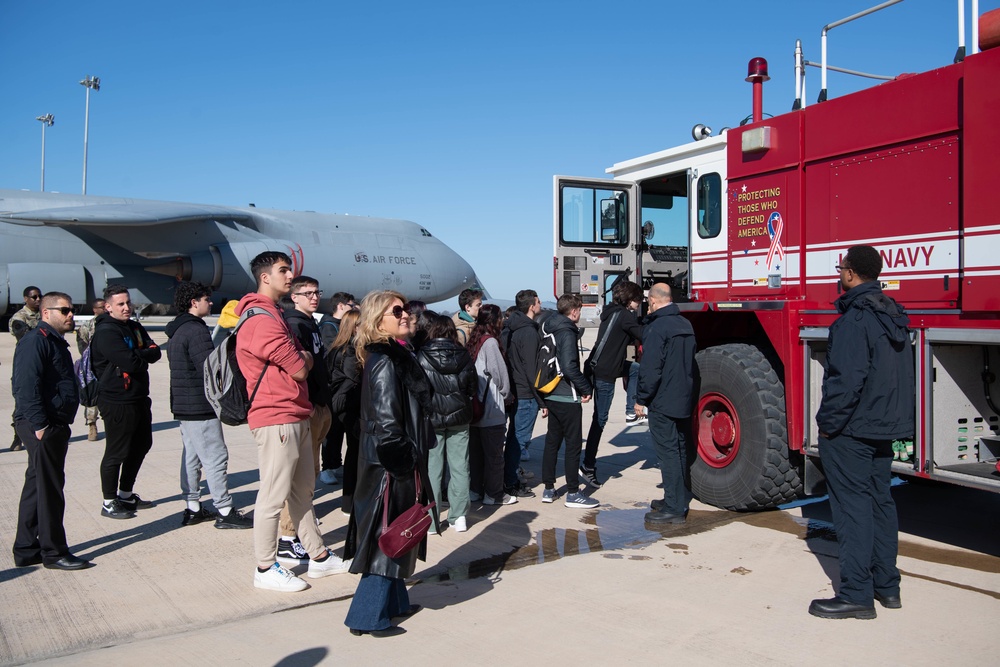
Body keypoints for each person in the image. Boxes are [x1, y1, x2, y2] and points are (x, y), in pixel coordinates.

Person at [809, 245, 914, 620]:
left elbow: (845, 382)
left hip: (852, 429)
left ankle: (856, 594)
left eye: (841, 268)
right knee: (880, 503)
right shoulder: (894, 315)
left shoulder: (854, 321)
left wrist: (827, 425)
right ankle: (887, 586)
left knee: (853, 509)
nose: (839, 274)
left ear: (851, 273)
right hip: (883, 426)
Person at [236, 252, 350, 592]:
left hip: (295, 412)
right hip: (276, 416)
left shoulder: (275, 315)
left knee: (303, 492)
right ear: (264, 277)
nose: (290, 276)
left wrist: (299, 356)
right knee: (273, 496)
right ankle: (265, 566)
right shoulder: (261, 318)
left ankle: (318, 557)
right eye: (283, 271)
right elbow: (301, 367)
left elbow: (298, 361)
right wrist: (302, 356)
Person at [344, 290, 435, 637]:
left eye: (406, 309)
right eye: (396, 311)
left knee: (401, 529)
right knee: (387, 536)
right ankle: (365, 616)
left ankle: (395, 602)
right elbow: (386, 421)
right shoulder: (384, 358)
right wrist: (403, 462)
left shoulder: (398, 353)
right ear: (377, 319)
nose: (405, 315)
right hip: (389, 463)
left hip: (395, 458)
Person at [11, 292, 92, 570]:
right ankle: (54, 551)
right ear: (46, 313)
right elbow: (25, 386)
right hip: (42, 425)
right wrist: (41, 426)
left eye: (73, 310)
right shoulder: (36, 341)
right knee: (50, 490)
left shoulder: (54, 341)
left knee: (36, 485)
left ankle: (26, 549)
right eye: (65, 310)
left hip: (51, 423)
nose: (71, 315)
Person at [165, 281, 252, 529]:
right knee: (215, 456)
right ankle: (224, 510)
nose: (210, 302)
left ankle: (193, 507)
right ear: (194, 302)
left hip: (183, 404)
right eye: (206, 298)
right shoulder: (195, 330)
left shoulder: (178, 329)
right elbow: (210, 367)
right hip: (200, 405)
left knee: (192, 456)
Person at [276, 276, 335, 562]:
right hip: (308, 409)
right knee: (300, 478)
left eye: (316, 291)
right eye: (307, 292)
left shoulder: (310, 323)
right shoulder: (294, 325)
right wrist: (308, 405)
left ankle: (300, 530)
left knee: (310, 475)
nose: (314, 296)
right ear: (294, 296)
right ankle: (288, 536)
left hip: (321, 407)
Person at [90, 284, 162, 519]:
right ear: (108, 307)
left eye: (128, 302)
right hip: (117, 400)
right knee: (116, 451)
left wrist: (139, 354)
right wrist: (141, 356)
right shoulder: (107, 332)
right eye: (120, 304)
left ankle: (125, 493)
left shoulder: (134, 326)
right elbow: (133, 363)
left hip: (139, 397)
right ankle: (109, 501)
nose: (126, 307)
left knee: (141, 445)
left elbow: (155, 351)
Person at [634, 283, 698, 525]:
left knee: (667, 452)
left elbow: (651, 368)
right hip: (683, 397)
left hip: (663, 399)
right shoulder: (685, 324)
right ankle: (676, 498)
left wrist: (641, 399)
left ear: (652, 300)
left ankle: (673, 506)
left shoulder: (657, 327)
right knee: (680, 450)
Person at [581, 280, 644, 488]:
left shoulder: (611, 312)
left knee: (634, 369)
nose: (639, 303)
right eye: (637, 300)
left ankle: (629, 409)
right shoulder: (625, 316)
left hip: (602, 367)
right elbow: (643, 334)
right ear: (629, 299)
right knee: (600, 420)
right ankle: (588, 466)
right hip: (606, 373)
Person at [417, 315, 477, 532]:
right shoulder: (463, 354)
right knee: (460, 466)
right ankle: (459, 516)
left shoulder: (422, 355)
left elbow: (419, 389)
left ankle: (431, 521)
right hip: (459, 416)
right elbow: (472, 385)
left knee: (433, 468)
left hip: (432, 418)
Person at [539, 294, 595, 508]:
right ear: (573, 311)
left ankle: (548, 488)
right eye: (579, 310)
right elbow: (570, 367)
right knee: (573, 445)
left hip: (550, 392)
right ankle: (573, 492)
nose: (579, 314)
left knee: (552, 442)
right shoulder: (567, 332)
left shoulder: (548, 327)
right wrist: (585, 388)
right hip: (567, 395)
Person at [468, 304, 516, 506]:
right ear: (494, 321)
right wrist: (507, 395)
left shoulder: (474, 341)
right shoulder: (490, 344)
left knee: (476, 455)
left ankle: (475, 490)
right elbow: (499, 375)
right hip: (490, 408)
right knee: (495, 456)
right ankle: (494, 493)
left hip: (475, 407)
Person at [501, 289, 546, 495]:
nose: (540, 304)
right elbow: (531, 369)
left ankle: (509, 476)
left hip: (516, 390)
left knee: (514, 438)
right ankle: (510, 482)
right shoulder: (528, 332)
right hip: (526, 394)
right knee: (519, 440)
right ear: (531, 306)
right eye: (538, 301)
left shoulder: (512, 328)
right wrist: (541, 399)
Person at [319, 291, 358, 485]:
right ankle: (327, 467)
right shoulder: (328, 327)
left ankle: (335, 464)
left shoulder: (336, 326)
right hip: (336, 389)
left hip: (344, 392)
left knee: (341, 430)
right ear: (341, 306)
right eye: (351, 305)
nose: (354, 308)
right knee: (333, 432)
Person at [326, 309, 362, 515]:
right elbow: (354, 378)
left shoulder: (337, 348)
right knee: (355, 453)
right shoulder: (350, 351)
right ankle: (349, 501)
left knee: (352, 452)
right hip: (348, 405)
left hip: (340, 404)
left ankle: (349, 501)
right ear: (355, 327)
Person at [9, 286, 43, 451]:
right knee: (22, 401)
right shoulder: (19, 317)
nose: (37, 299)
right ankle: (18, 436)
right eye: (33, 297)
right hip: (25, 364)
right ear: (25, 299)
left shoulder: (44, 314)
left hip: (43, 362)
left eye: (39, 296)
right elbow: (19, 331)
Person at [75, 298, 106, 442]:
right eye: (102, 307)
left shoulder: (113, 323)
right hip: (92, 368)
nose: (105, 309)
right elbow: (83, 347)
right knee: (92, 398)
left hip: (110, 367)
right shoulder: (87, 327)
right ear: (95, 310)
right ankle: (92, 425)